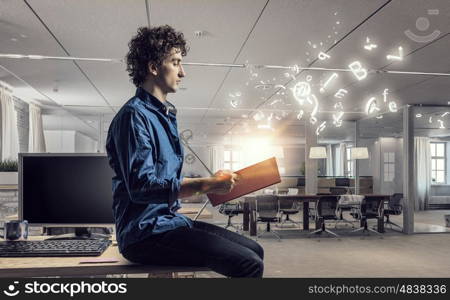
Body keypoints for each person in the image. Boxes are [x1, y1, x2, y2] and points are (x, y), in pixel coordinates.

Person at [106, 25, 264, 278]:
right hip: (143, 234)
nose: (183, 72)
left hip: (168, 223)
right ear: (154, 67)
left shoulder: (164, 115)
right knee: (249, 264)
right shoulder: (134, 117)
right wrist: (207, 184)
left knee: (255, 249)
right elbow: (141, 188)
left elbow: (166, 180)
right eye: (176, 62)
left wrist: (212, 182)